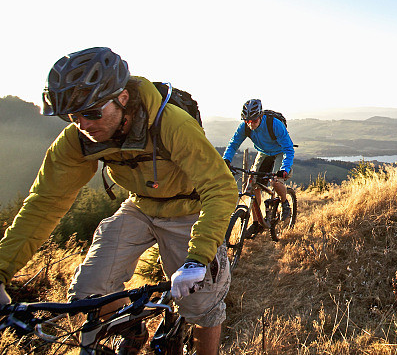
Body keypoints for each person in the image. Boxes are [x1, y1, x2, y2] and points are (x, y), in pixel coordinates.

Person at [0, 47, 238, 355]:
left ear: (122, 98)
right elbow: (44, 203)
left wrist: (199, 255)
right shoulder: (78, 139)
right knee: (88, 291)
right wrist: (2, 270)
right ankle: (132, 327)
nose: (83, 125)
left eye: (92, 113)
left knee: (200, 304)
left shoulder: (170, 123)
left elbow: (220, 187)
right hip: (140, 206)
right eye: (73, 116)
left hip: (190, 210)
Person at [222, 98, 294, 223]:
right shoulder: (244, 127)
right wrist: (226, 160)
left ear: (261, 116)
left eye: (254, 120)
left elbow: (288, 148)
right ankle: (257, 223)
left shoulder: (275, 124)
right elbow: (233, 144)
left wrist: (284, 169)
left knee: (275, 182)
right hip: (264, 152)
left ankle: (284, 202)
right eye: (247, 121)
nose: (251, 124)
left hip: (280, 152)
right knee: (253, 183)